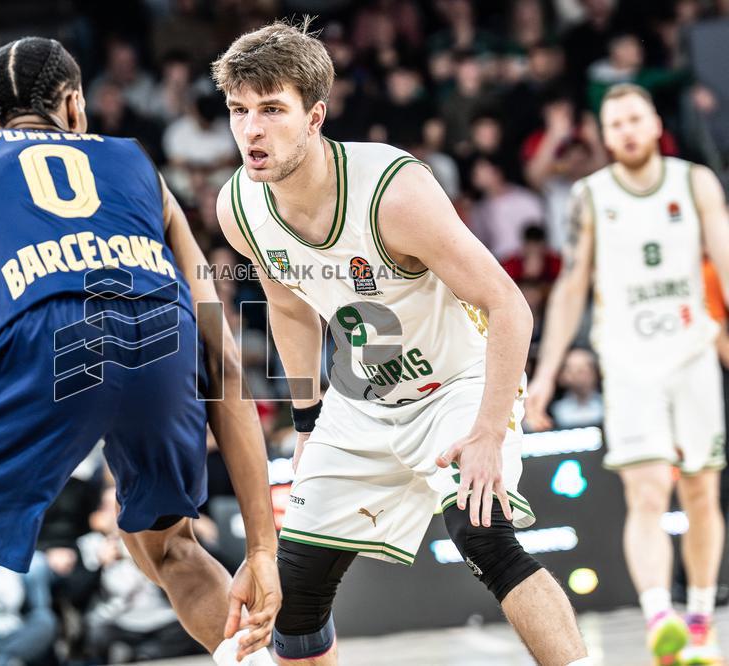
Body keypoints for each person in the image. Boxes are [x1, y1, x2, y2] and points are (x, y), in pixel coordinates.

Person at [0, 36, 280, 666]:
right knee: (171, 549)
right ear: (74, 105)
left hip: (43, 334)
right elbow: (224, 356)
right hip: (161, 328)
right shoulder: (138, 163)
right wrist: (262, 548)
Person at [211, 20, 590, 666]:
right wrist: (307, 424)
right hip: (361, 399)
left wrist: (487, 432)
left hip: (456, 384)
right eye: (238, 110)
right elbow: (289, 308)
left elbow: (508, 305)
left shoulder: (392, 191)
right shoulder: (239, 208)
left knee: (484, 536)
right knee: (294, 603)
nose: (251, 130)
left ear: (315, 117)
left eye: (271, 109)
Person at [527, 83, 729, 666]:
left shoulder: (695, 182)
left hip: (692, 354)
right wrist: (545, 374)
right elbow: (571, 286)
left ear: (656, 123)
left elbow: (725, 260)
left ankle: (700, 622)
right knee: (646, 491)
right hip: (628, 361)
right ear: (605, 136)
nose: (628, 131)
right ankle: (660, 617)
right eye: (615, 124)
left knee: (701, 491)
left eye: (635, 119)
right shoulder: (589, 196)